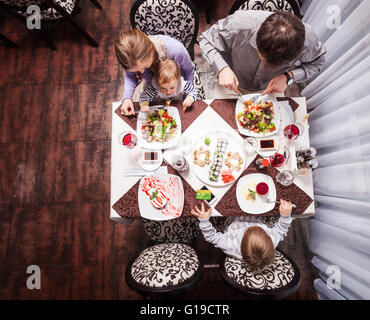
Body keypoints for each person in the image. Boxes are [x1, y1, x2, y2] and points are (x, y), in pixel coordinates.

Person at [198, 10, 326, 96]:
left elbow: (318, 63)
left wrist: (289, 77)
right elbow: (205, 39)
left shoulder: (308, 41)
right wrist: (222, 68)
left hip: (272, 88)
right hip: (230, 79)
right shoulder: (238, 24)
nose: (265, 66)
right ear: (259, 30)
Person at [191, 200, 293, 270]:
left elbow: (211, 236)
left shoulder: (229, 245)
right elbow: (281, 230)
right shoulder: (272, 241)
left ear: (242, 239)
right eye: (262, 231)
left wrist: (204, 221)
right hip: (257, 215)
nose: (250, 226)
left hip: (231, 218)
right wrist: (285, 216)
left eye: (248, 230)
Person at [115, 29, 195, 116]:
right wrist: (127, 98)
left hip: (177, 83)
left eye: (145, 67)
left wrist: (186, 96)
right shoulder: (131, 58)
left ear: (151, 52)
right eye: (136, 70)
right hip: (154, 88)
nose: (142, 72)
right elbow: (131, 76)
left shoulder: (176, 50)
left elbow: (189, 71)